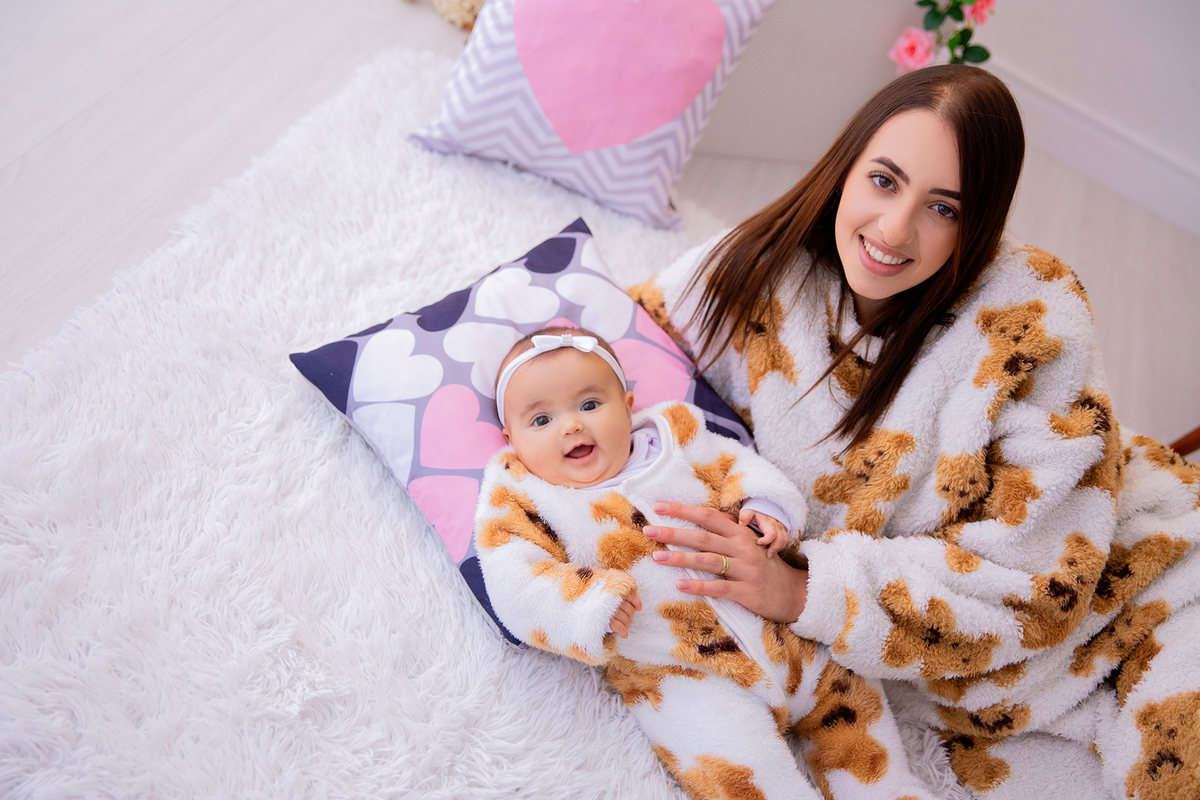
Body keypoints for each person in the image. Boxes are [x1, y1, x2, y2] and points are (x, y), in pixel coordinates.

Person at [629, 64, 1200, 800]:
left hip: (1151, 592)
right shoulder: (760, 267)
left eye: (943, 208)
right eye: (884, 181)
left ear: (979, 223)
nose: (894, 231)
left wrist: (800, 591)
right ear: (846, 166)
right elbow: (608, 361)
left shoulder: (1036, 321)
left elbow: (1039, 587)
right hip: (975, 679)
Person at [474, 326, 941, 800]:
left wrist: (765, 506)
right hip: (684, 674)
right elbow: (513, 581)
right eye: (541, 420)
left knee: (858, 720)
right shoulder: (524, 497)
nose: (571, 426)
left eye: (590, 404)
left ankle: (890, 790)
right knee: (739, 771)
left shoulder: (679, 436)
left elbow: (738, 464)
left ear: (628, 406)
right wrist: (587, 605)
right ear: (511, 439)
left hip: (785, 631)